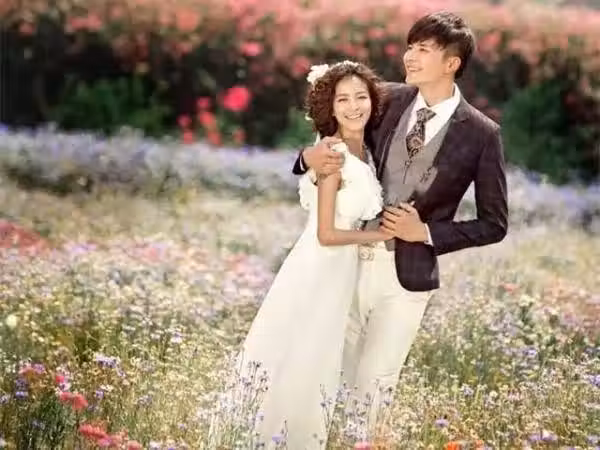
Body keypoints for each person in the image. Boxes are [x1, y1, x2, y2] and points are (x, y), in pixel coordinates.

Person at [293, 11, 508, 432]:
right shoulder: (385, 98)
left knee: (375, 389)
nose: (410, 56)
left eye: (423, 49)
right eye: (410, 47)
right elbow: (326, 135)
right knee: (327, 377)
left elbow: (494, 223)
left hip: (407, 278)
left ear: (451, 63)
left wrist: (424, 232)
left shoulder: (482, 134)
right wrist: (304, 158)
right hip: (346, 264)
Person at [235, 61, 393, 449]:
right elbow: (325, 233)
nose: (354, 107)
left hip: (343, 268)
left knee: (320, 359)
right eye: (343, 100)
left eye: (361, 97)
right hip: (320, 266)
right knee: (303, 353)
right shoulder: (332, 154)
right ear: (330, 107)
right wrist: (379, 235)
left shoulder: (365, 151)